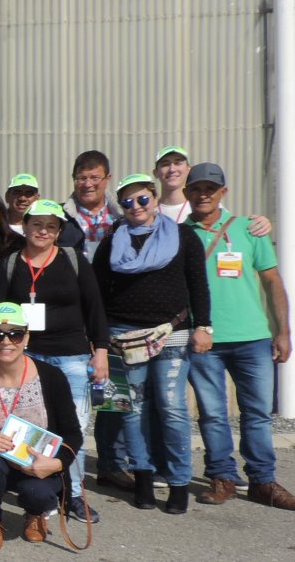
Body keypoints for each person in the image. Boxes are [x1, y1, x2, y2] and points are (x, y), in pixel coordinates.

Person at [91, 173, 211, 514]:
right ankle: (142, 476)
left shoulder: (183, 236)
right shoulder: (112, 241)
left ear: (155, 198)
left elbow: (198, 285)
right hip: (124, 337)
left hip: (170, 333)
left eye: (142, 199)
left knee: (172, 409)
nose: (136, 207)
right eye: (127, 202)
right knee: (133, 410)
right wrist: (98, 338)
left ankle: (178, 481)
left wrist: (204, 326)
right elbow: (97, 295)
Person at [0, 198, 108, 523]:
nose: (43, 231)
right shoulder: (10, 264)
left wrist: (101, 351)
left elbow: (95, 307)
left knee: (74, 428)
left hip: (70, 356)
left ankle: (75, 496)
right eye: (37, 224)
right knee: (26, 426)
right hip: (23, 356)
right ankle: (37, 485)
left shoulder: (74, 260)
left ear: (59, 231)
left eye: (51, 226)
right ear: (25, 226)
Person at [183, 163, 295, 510]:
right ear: (186, 194)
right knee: (213, 413)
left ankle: (263, 480)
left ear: (223, 192)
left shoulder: (250, 229)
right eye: (197, 188)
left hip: (253, 338)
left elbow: (272, 281)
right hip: (205, 340)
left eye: (211, 188)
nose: (204, 194)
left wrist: (283, 330)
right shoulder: (177, 234)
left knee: (257, 413)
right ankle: (222, 477)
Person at [0, 303, 84, 551]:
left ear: (26, 337)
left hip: (39, 466)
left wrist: (57, 463)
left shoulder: (52, 377)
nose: (6, 341)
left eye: (15, 334)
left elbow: (73, 433)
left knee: (38, 493)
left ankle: (35, 513)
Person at [61, 150, 129, 489]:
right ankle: (58, 465)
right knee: (68, 397)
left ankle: (112, 463)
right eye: (81, 178)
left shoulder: (123, 218)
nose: (87, 184)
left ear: (107, 179)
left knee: (112, 393)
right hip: (73, 317)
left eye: (94, 177)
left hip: (113, 315)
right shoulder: (62, 219)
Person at [154, 145, 272, 235]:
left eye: (178, 163)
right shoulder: (147, 209)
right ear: (155, 173)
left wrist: (261, 223)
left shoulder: (205, 204)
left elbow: (231, 230)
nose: (172, 169)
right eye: (165, 164)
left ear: (189, 169)